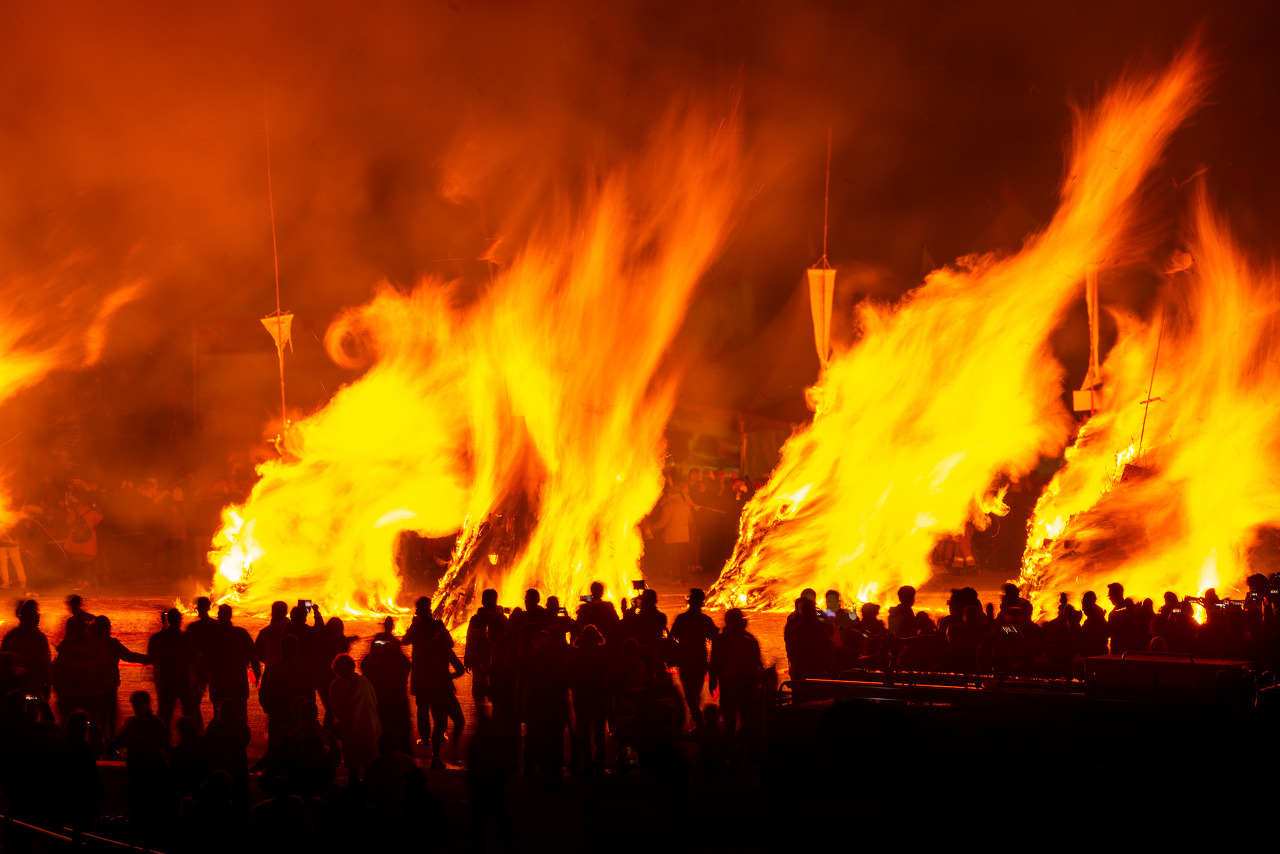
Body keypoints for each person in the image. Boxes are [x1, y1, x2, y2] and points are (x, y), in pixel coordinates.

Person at [402, 596, 463, 768]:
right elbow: (453, 654)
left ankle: (428, 739)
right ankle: (440, 742)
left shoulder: (419, 626)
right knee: (440, 714)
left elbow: (404, 640)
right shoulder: (437, 626)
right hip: (437, 680)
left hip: (423, 676)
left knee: (424, 707)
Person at [325, 653, 382, 782]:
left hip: (351, 729)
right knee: (370, 764)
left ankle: (353, 793)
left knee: (353, 766)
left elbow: (335, 709)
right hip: (371, 727)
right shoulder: (364, 681)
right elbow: (374, 701)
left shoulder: (336, 685)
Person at [91, 615, 150, 738]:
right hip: (109, 685)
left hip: (92, 686)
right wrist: (148, 659)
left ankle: (96, 742)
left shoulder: (89, 643)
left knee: (95, 716)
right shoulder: (112, 643)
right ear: (108, 628)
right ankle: (110, 742)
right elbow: (129, 656)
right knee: (111, 716)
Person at [362, 618, 413, 753]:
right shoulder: (392, 646)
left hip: (383, 699)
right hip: (394, 699)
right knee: (399, 727)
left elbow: (367, 665)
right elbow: (405, 666)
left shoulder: (382, 644)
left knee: (384, 726)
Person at [709, 609, 762, 738]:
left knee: (729, 718)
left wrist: (712, 681)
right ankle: (746, 748)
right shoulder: (750, 639)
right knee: (746, 716)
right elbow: (758, 663)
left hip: (728, 684)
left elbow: (715, 661)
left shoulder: (721, 638)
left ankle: (729, 745)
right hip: (747, 684)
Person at [669, 588, 718, 725]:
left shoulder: (682, 619)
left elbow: (672, 637)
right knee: (694, 691)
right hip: (698, 660)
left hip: (686, 659)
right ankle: (697, 719)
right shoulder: (704, 620)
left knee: (690, 691)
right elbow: (715, 637)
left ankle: (697, 719)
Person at [257, 633, 315, 748]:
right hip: (298, 720)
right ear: (296, 649)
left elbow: (263, 695)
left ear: (281, 649)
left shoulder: (271, 671)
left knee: (276, 751)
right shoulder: (304, 671)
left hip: (277, 717)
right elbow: (311, 697)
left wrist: (270, 709)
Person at [206, 604, 259, 719]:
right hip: (238, 682)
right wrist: (257, 675)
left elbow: (206, 660)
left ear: (219, 616)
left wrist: (202, 680)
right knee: (240, 715)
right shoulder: (241, 634)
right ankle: (241, 735)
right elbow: (253, 655)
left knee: (220, 716)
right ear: (230, 615)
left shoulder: (213, 637)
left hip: (219, 684)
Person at [148, 608, 198, 730]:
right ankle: (190, 737)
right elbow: (192, 658)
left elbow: (152, 657)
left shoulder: (158, 638)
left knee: (165, 713)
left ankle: (164, 739)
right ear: (179, 620)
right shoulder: (185, 638)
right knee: (188, 712)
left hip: (167, 680)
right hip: (183, 680)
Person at [2, 599, 51, 699]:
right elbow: (45, 665)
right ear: (35, 618)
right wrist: (48, 686)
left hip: (12, 689)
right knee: (31, 711)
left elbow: (2, 664)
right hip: (33, 690)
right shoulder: (39, 638)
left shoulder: (11, 636)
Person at [465, 588, 503, 706]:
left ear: (482, 601)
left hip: (478, 657)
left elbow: (470, 639)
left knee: (478, 687)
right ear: (495, 601)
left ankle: (480, 714)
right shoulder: (501, 619)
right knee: (497, 687)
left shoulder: (476, 618)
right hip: (497, 659)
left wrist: (468, 659)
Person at [650, 488, 694, 583]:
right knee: (683, 559)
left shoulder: (668, 507)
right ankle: (685, 580)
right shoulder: (685, 506)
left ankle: (676, 579)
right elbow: (690, 520)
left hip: (672, 536)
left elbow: (663, 523)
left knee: (674, 559)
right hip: (684, 536)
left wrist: (651, 528)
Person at [254, 601, 290, 669]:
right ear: (286, 612)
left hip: (271, 669)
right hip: (291, 670)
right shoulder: (293, 628)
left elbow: (257, 653)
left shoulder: (265, 631)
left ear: (272, 612)